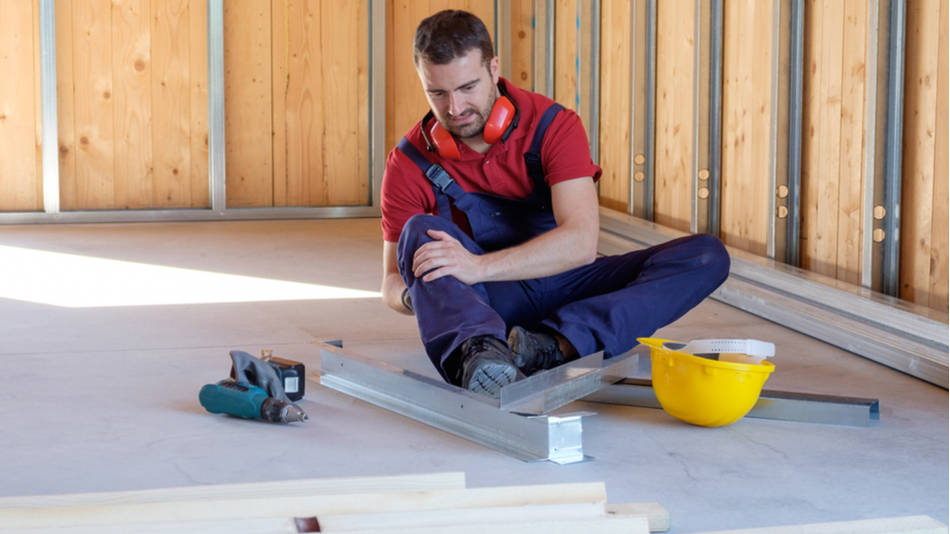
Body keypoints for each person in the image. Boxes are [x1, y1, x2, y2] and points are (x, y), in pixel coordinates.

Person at [380, 10, 730, 398]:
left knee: (706, 256)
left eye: (467, 87)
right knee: (419, 232)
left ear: (494, 69)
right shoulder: (410, 161)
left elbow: (580, 245)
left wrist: (477, 266)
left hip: (566, 281)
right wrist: (431, 290)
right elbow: (390, 283)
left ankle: (550, 346)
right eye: (438, 93)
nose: (454, 107)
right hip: (488, 303)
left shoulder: (552, 126)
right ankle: (480, 355)